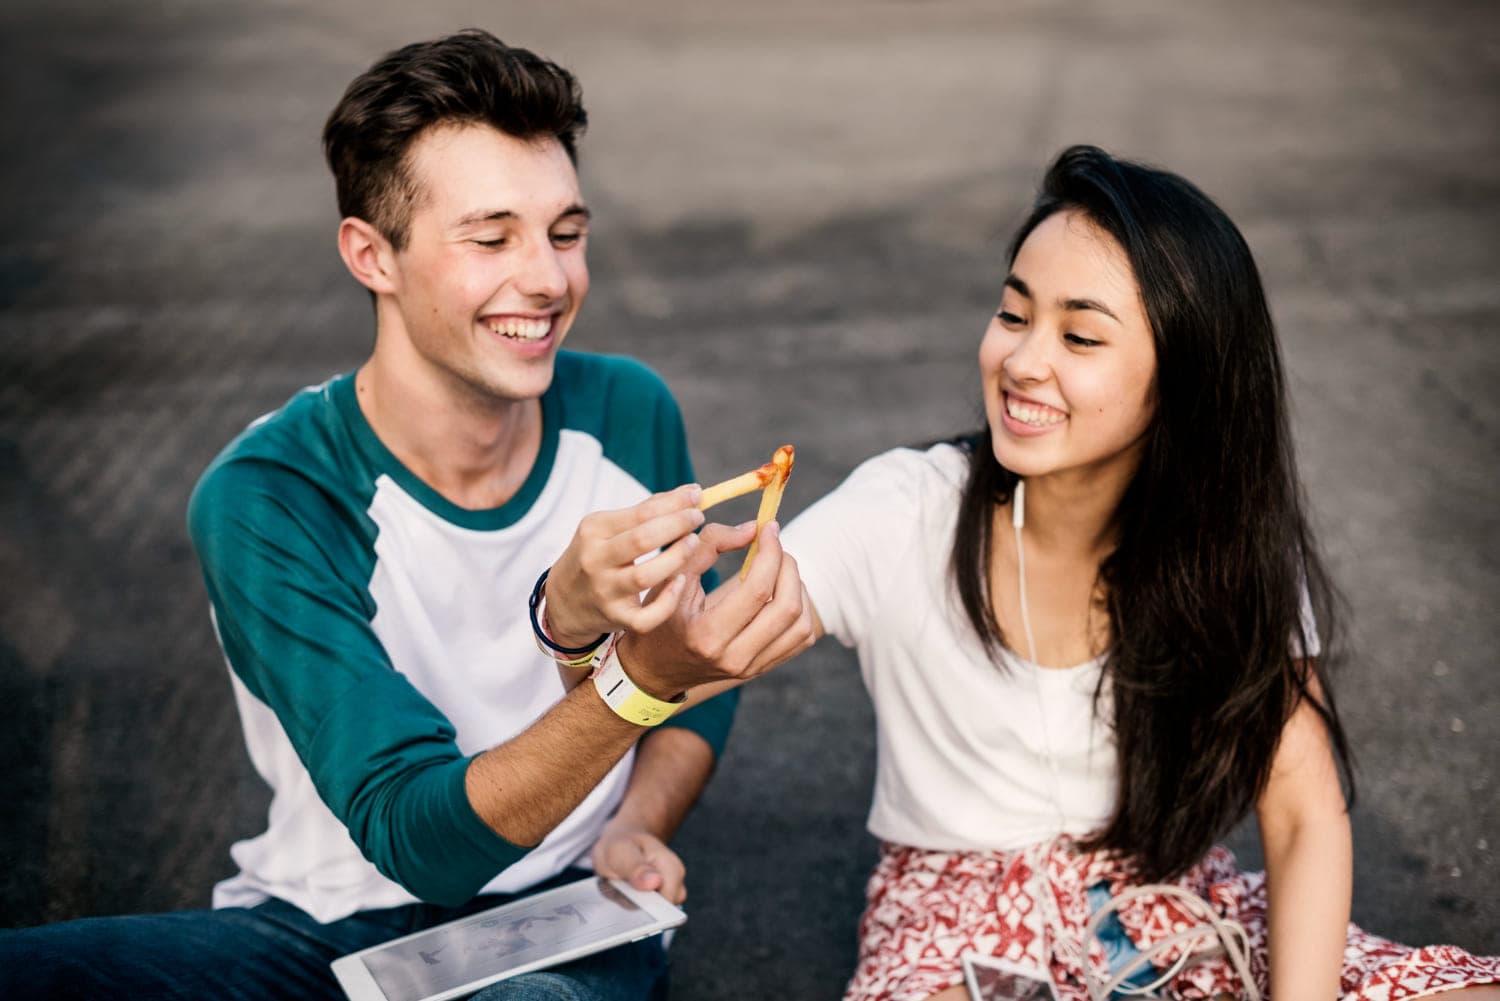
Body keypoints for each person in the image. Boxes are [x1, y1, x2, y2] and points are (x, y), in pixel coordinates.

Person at [0, 29, 811, 1001]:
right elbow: (420, 839)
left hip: (557, 915)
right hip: (318, 924)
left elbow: (702, 676)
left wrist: (639, 818)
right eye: (491, 236)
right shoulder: (274, 493)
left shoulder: (626, 413)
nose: (549, 279)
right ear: (371, 254)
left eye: (565, 230)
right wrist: (635, 682)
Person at [771, 147, 1499, 1000]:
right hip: (956, 928)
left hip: (1169, 905)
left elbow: (1302, 817)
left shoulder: (1233, 546)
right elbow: (715, 635)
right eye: (1014, 314)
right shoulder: (907, 507)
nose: (1024, 361)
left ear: (1184, 382)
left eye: (1079, 335)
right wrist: (597, 618)